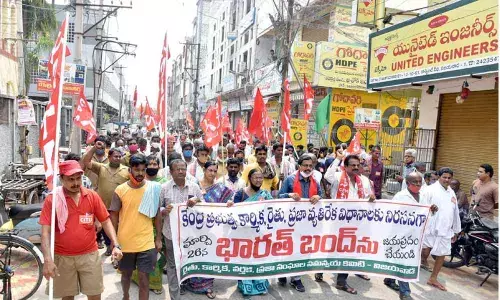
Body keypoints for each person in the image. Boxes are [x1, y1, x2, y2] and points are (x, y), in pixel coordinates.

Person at [40, 160, 122, 299]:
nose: (76, 183)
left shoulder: (91, 196)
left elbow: (106, 221)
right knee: (67, 297)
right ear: (61, 179)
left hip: (89, 256)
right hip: (62, 258)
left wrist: (116, 244)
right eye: (70, 179)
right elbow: (45, 232)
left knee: (95, 295)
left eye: (78, 178)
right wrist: (48, 259)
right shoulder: (53, 200)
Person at [317, 155, 375, 295]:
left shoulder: (364, 181)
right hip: (338, 220)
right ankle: (320, 270)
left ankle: (341, 282)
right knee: (332, 246)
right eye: (352, 165)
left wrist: (371, 199)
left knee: (350, 250)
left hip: (356, 222)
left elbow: (367, 197)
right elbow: (327, 176)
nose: (356, 167)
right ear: (346, 166)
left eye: (357, 165)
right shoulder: (337, 177)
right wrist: (338, 158)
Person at [110, 154, 163, 300]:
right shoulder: (120, 190)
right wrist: (114, 242)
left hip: (146, 242)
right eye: (136, 169)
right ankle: (125, 296)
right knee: (126, 276)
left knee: (144, 280)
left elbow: (157, 215)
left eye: (143, 170)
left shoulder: (152, 189)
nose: (140, 173)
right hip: (125, 242)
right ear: (130, 170)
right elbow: (113, 216)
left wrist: (158, 238)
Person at [384, 172, 438, 300]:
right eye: (415, 182)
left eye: (420, 182)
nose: (418, 184)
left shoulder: (423, 196)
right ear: (407, 183)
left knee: (399, 259)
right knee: (404, 261)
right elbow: (392, 215)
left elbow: (425, 216)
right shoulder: (400, 196)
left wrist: (432, 211)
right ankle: (405, 292)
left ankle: (389, 280)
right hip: (400, 236)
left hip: (415, 236)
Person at [184, 161, 232, 298]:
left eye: (214, 171)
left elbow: (232, 199)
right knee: (194, 254)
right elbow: (185, 203)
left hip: (212, 229)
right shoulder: (194, 185)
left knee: (209, 256)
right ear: (204, 170)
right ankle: (189, 282)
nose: (212, 173)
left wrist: (229, 202)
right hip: (193, 228)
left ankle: (207, 286)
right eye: (210, 170)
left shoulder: (221, 188)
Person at [277, 154, 323, 292]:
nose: (308, 168)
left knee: (302, 250)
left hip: (307, 223)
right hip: (290, 223)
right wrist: (289, 195)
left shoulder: (315, 181)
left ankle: (296, 278)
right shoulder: (290, 179)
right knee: (289, 248)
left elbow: (321, 196)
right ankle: (284, 273)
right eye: (305, 165)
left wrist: (318, 196)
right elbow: (279, 196)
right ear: (299, 166)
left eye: (310, 166)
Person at [227, 168, 272, 297]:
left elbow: (273, 210)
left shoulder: (266, 194)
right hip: (243, 235)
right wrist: (230, 204)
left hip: (259, 234)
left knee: (259, 260)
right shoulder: (240, 194)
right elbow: (231, 211)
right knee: (244, 260)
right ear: (249, 179)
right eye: (255, 178)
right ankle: (245, 287)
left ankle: (260, 285)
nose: (258, 181)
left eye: (260, 178)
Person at [83, 143, 129, 255]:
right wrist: (94, 148)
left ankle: (116, 247)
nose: (117, 158)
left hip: (119, 208)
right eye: (115, 156)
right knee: (104, 228)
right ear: (109, 157)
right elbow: (86, 161)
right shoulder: (101, 167)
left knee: (117, 228)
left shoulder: (127, 170)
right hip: (102, 205)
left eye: (119, 156)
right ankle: (109, 246)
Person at [421, 167, 461, 291]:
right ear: (439, 177)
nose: (447, 180)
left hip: (445, 229)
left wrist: (456, 229)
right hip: (430, 227)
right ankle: (419, 264)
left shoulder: (451, 192)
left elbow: (455, 211)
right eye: (444, 177)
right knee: (425, 251)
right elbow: (421, 206)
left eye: (449, 178)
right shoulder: (429, 190)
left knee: (442, 253)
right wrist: (429, 209)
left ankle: (433, 278)